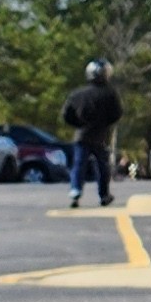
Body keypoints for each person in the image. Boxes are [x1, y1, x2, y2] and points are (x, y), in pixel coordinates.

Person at [59, 56, 121, 208]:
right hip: (101, 136)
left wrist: (79, 124)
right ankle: (104, 195)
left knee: (79, 164)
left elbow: (66, 114)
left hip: (82, 135)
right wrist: (104, 124)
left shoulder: (77, 94)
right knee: (102, 167)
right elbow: (117, 113)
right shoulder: (110, 94)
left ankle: (75, 190)